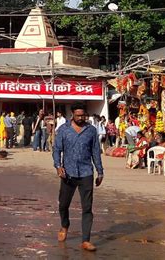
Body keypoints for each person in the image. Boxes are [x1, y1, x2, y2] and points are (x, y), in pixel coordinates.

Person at [53, 103, 104, 252]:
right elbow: (56, 150)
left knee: (87, 207)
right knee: (63, 204)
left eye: (83, 115)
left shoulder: (91, 131)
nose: (81, 118)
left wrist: (100, 172)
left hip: (86, 173)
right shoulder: (63, 130)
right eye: (78, 115)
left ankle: (85, 240)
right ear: (72, 115)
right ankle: (64, 225)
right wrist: (58, 166)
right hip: (67, 173)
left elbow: (96, 152)